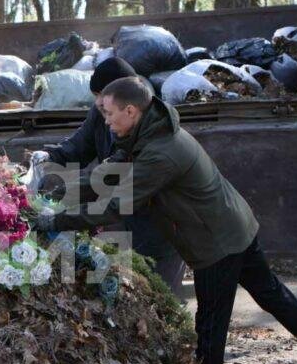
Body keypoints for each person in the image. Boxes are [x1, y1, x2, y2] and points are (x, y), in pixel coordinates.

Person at [29, 76, 297, 364]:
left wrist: (54, 222)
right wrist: (59, 188)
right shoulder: (147, 132)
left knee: (211, 322)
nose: (106, 121)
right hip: (232, 224)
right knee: (271, 295)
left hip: (216, 240)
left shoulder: (160, 152)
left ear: (130, 111)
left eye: (109, 113)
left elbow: (115, 205)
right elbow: (108, 174)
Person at [29, 57, 187, 297]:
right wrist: (50, 157)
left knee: (163, 296)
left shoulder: (150, 129)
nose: (100, 107)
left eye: (102, 98)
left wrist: (57, 213)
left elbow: (109, 184)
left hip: (162, 223)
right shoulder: (103, 114)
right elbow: (80, 147)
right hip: (130, 217)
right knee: (136, 291)